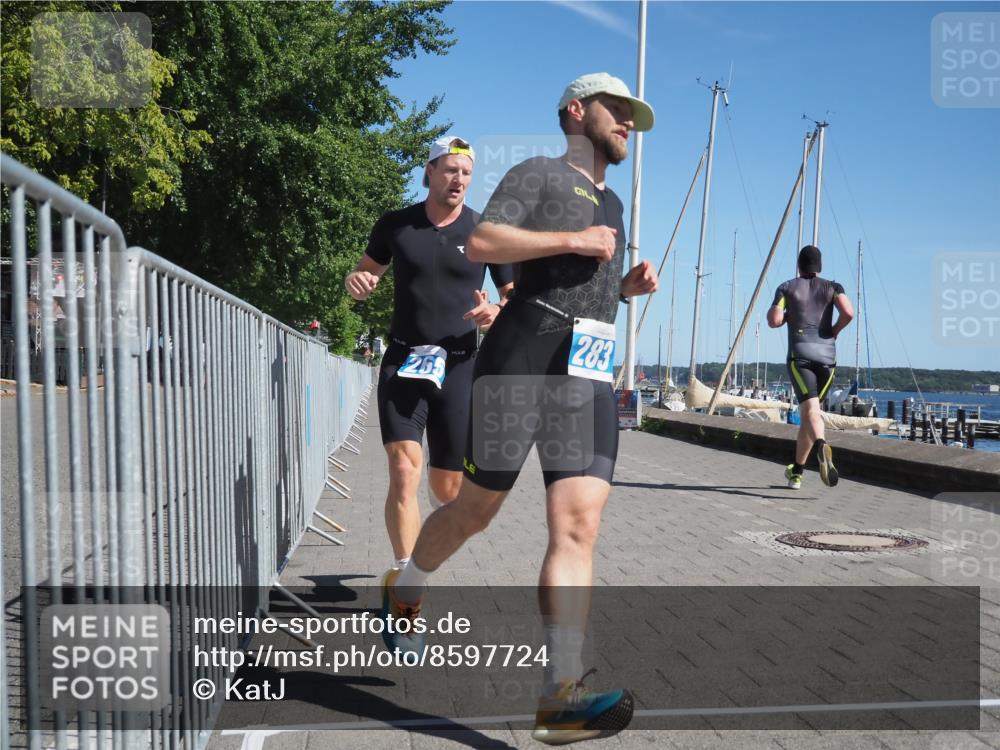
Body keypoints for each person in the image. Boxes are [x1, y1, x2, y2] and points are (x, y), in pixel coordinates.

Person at [380, 73, 658, 745]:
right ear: (576, 111)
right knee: (475, 511)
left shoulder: (613, 202)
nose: (626, 122)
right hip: (517, 365)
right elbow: (485, 244)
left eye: (632, 116)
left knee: (579, 525)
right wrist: (574, 241)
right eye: (616, 110)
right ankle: (407, 586)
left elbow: (584, 284)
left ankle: (559, 695)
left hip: (585, 371)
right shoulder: (538, 174)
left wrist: (623, 287)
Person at [344, 136, 514, 571]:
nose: (459, 180)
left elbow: (514, 297)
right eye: (451, 170)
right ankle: (405, 578)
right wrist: (357, 283)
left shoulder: (483, 231)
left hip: (459, 365)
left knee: (449, 490)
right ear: (431, 171)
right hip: (403, 361)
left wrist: (495, 309)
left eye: (467, 173)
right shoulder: (396, 224)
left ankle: (425, 553)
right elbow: (366, 272)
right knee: (403, 470)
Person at [767, 245, 854, 490]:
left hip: (801, 356)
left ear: (799, 265)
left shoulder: (786, 287)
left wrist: (786, 316)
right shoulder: (834, 287)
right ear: (820, 265)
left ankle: (820, 446)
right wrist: (834, 331)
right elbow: (848, 312)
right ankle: (797, 472)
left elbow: (774, 321)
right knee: (809, 415)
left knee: (810, 413)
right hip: (828, 359)